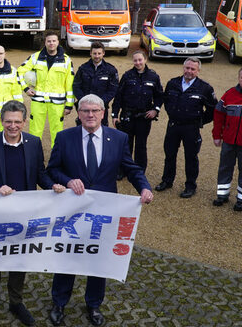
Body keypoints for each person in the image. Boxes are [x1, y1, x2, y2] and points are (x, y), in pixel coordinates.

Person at [46, 94, 153, 327]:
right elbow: (52, 170)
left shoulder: (119, 138)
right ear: (78, 113)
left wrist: (144, 188)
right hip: (72, 212)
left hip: (105, 214)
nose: (90, 115)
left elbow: (131, 168)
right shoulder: (64, 138)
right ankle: (59, 302)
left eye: (95, 110)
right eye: (85, 110)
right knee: (67, 257)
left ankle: (93, 304)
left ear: (103, 113)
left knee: (98, 258)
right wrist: (67, 180)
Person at [0, 100, 64, 327]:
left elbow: (40, 174)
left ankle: (16, 301)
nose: (12, 126)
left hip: (25, 215)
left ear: (24, 122)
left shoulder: (33, 143)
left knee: (19, 258)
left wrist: (52, 186)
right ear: (1, 121)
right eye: (8, 122)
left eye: (17, 122)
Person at [155, 57, 216, 198]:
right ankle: (167, 180)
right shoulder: (173, 83)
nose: (189, 71)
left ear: (198, 71)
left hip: (191, 128)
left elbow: (212, 109)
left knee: (191, 157)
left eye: (193, 69)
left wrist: (200, 121)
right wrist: (172, 113)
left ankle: (190, 186)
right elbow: (167, 101)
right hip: (173, 126)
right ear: (183, 68)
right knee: (169, 154)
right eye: (187, 68)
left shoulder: (205, 88)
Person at [18, 32, 74, 147]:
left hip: (57, 104)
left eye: (54, 41)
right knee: (35, 132)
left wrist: (69, 105)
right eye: (49, 41)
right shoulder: (35, 57)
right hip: (38, 101)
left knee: (57, 133)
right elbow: (19, 72)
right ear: (45, 42)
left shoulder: (66, 60)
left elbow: (70, 84)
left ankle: (56, 160)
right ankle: (33, 159)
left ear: (58, 42)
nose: (51, 43)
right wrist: (26, 89)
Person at [111, 50, 163, 173]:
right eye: (135, 60)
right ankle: (123, 170)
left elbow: (160, 96)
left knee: (141, 145)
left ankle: (139, 171)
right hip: (127, 116)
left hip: (144, 117)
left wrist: (155, 110)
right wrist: (114, 115)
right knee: (126, 145)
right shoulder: (127, 76)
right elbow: (118, 96)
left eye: (140, 60)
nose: (138, 62)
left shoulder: (153, 77)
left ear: (145, 60)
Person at [212, 67, 242, 210]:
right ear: (238, 78)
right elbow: (218, 115)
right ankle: (222, 195)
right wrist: (217, 136)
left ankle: (241, 199)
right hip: (229, 141)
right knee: (225, 167)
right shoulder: (229, 95)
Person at [73, 41, 119, 125]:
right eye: (94, 53)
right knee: (82, 132)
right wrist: (85, 101)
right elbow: (76, 86)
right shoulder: (83, 69)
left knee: (102, 133)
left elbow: (113, 89)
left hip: (101, 108)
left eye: (99, 53)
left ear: (103, 53)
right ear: (90, 53)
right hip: (84, 108)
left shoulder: (111, 70)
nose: (97, 56)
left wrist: (100, 102)